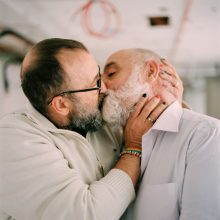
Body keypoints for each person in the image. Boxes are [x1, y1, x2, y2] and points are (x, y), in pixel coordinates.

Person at [0, 38, 180, 220]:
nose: (104, 88)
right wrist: (133, 148)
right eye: (94, 84)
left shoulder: (92, 115)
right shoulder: (14, 140)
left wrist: (170, 100)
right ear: (62, 104)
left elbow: (141, 117)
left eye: (100, 74)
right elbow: (85, 214)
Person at [101, 48, 220, 220]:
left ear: (150, 71)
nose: (102, 88)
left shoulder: (207, 136)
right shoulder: (111, 139)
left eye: (111, 74)